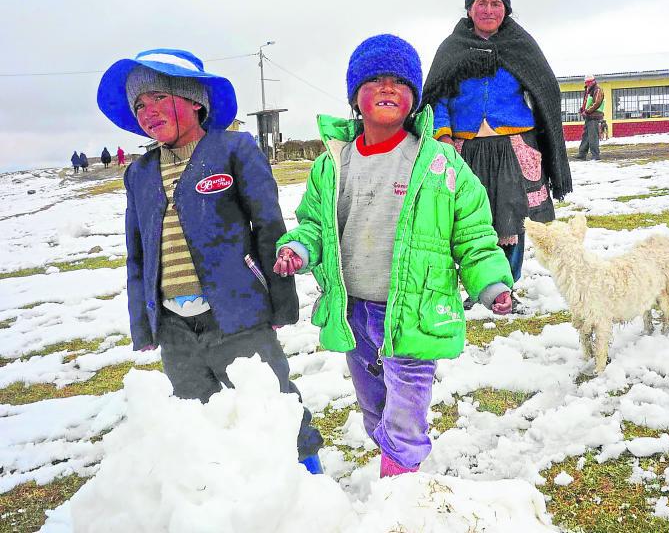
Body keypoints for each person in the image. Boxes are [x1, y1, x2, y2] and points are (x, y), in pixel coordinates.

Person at [273, 35, 514, 478]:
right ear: (355, 97)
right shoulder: (333, 163)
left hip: (415, 309)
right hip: (353, 310)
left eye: (400, 82)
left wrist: (490, 283)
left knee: (406, 408)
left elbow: (475, 234)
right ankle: (390, 450)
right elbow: (314, 225)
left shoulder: (439, 163)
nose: (388, 88)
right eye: (375, 80)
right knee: (373, 407)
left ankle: (400, 488)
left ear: (414, 97)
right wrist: (299, 248)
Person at [97, 48, 323, 473]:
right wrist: (143, 324)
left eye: (158, 98)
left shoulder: (233, 149)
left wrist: (280, 302)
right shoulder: (139, 172)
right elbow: (137, 253)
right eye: (139, 105)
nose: (148, 112)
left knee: (274, 405)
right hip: (174, 325)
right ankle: (231, 497)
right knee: (199, 418)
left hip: (237, 313)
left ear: (194, 100)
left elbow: (269, 225)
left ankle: (310, 484)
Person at [421, 0, 572, 307]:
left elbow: (545, 88)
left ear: (505, 8)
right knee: (468, 217)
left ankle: (505, 287)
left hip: (513, 146)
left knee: (511, 217)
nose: (488, 9)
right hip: (464, 148)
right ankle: (474, 286)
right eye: (482, 2)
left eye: (495, 3)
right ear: (470, 7)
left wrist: (543, 132)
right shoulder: (452, 48)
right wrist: (442, 136)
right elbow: (435, 97)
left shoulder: (520, 45)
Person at [576, 74, 605, 160]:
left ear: (592, 81)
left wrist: (587, 111)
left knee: (593, 136)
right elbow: (586, 102)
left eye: (587, 82)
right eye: (586, 82)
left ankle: (595, 155)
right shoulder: (588, 89)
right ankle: (582, 154)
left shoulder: (597, 89)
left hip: (594, 116)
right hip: (589, 116)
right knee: (586, 136)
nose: (586, 84)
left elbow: (596, 103)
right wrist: (582, 109)